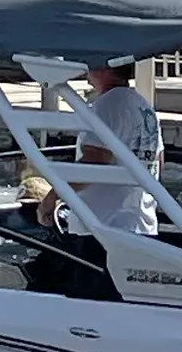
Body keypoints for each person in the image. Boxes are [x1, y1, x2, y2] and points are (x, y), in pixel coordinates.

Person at [38, 59, 163, 237]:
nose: (86, 69)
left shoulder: (107, 106)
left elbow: (95, 163)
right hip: (142, 225)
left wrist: (52, 197)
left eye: (91, 62)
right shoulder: (144, 106)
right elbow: (158, 161)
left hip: (105, 227)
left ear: (106, 68)